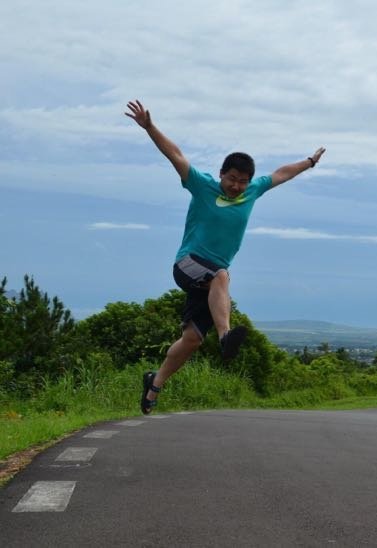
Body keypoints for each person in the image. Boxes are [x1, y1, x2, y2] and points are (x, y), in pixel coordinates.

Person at [125, 100, 326, 415]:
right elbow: (175, 155)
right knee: (222, 275)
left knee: (191, 339)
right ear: (221, 174)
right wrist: (150, 126)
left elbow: (282, 173)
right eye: (231, 178)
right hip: (187, 263)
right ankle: (225, 336)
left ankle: (154, 385)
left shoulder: (253, 191)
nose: (236, 186)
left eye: (242, 181)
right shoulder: (203, 186)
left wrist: (310, 162)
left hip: (208, 280)